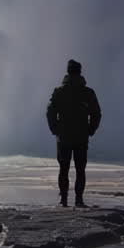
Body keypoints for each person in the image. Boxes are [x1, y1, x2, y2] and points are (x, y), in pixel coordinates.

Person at [45, 59, 102, 207]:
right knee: (80, 169)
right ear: (80, 72)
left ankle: (63, 200)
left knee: (63, 169)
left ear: (68, 72)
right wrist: (90, 130)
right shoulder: (87, 92)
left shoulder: (59, 92)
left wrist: (55, 129)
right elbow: (96, 113)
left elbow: (50, 111)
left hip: (63, 137)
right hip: (81, 137)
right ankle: (79, 200)